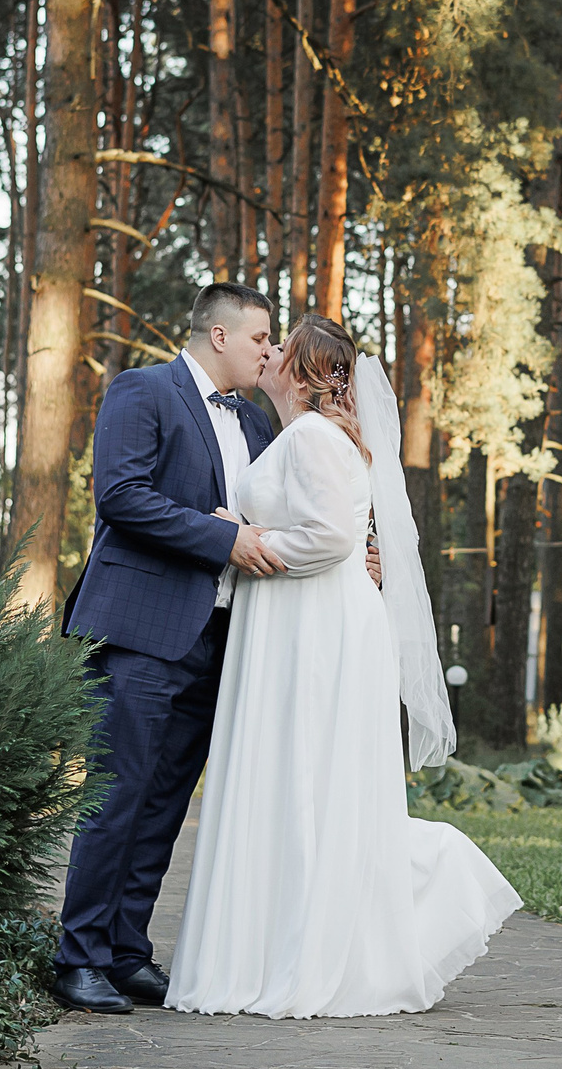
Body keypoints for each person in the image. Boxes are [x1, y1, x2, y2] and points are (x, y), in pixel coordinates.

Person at [165, 315, 519, 1017]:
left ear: (301, 370)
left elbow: (326, 538)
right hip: (300, 616)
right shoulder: (304, 436)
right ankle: (291, 939)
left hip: (314, 625)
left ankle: (353, 932)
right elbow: (331, 531)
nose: (265, 354)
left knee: (308, 780)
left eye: (279, 347)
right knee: (301, 781)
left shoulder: (316, 438)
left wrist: (247, 538)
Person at [47, 281, 286, 1015]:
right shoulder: (141, 390)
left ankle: (125, 952)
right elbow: (121, 495)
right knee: (118, 791)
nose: (267, 352)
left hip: (218, 636)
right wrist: (223, 535)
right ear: (219, 335)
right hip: (142, 629)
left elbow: (285, 510)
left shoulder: (256, 423)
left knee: (163, 802)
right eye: (258, 340)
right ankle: (76, 957)